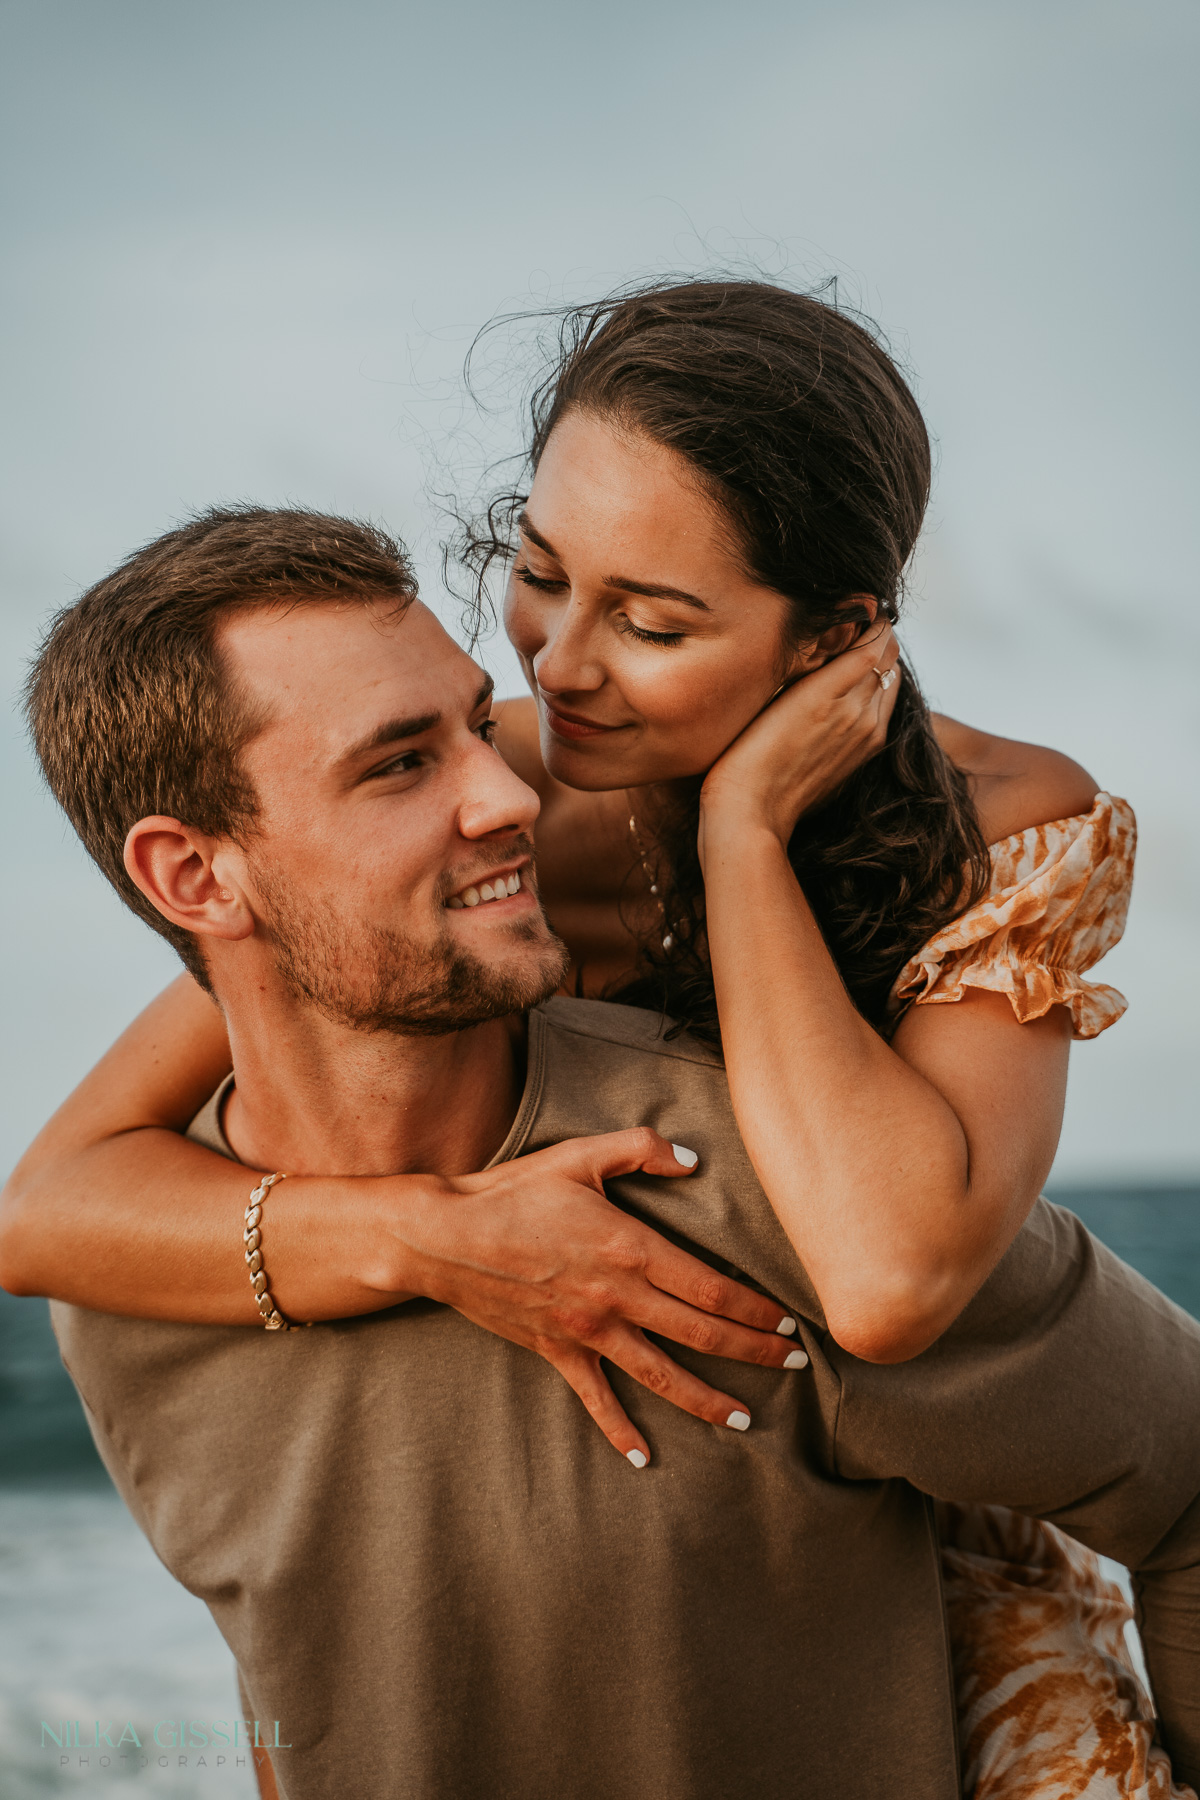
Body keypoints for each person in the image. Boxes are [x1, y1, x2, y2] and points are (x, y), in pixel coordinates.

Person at [0, 281, 1160, 1789]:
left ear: (838, 639)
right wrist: (440, 1237)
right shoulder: (487, 798)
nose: (557, 667)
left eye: (655, 622)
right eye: (541, 573)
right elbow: (50, 1208)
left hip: (937, 1517)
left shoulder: (1008, 826)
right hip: (645, 1526)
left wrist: (743, 837)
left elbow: (883, 1279)